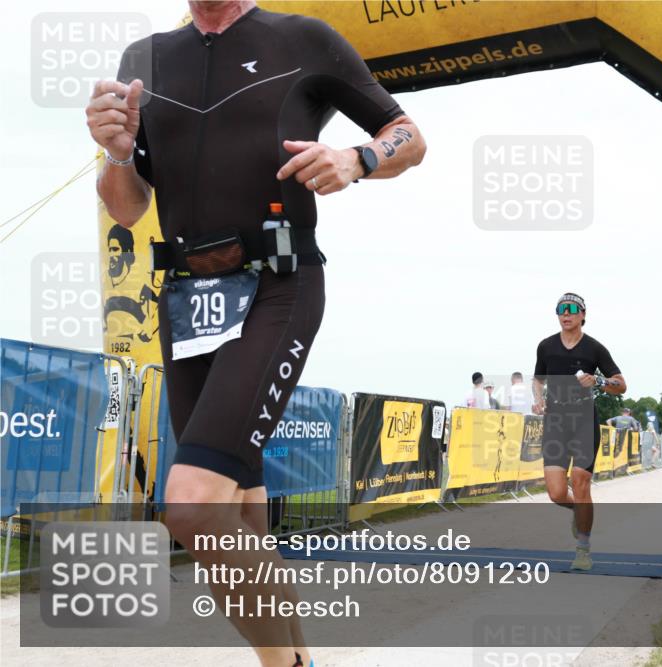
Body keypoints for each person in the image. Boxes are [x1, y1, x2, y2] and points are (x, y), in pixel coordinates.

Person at [87, 2, 425, 665]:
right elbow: (126, 207)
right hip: (186, 302)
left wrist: (356, 158)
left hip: (278, 283)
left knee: (191, 508)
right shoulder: (144, 59)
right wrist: (117, 154)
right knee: (238, 516)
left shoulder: (302, 37)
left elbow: (408, 135)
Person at [532, 293, 626, 571]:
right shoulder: (546, 346)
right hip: (556, 421)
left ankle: (583, 550)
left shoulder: (594, 349)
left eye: (572, 309)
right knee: (556, 492)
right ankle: (577, 510)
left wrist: (597, 380)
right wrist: (537, 399)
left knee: (580, 481)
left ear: (583, 314)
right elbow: (538, 379)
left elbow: (621, 385)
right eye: (561, 309)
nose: (566, 313)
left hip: (584, 419)